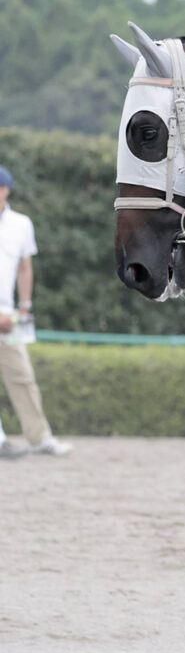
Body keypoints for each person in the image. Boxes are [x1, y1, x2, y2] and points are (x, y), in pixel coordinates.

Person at [0, 165, 72, 459]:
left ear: (5, 190)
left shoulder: (21, 224)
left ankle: (39, 437)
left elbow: (25, 267)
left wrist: (24, 307)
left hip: (7, 315)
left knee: (22, 376)